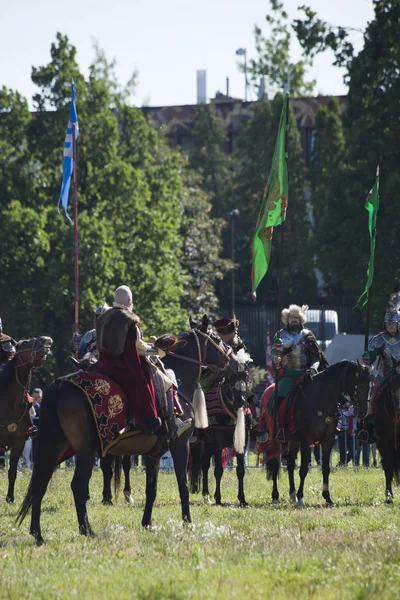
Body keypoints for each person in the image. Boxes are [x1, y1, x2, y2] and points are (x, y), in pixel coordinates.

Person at [96, 285, 191, 439]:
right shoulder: (129, 320)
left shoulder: (104, 318)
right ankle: (172, 423)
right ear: (129, 301)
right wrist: (159, 350)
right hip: (126, 368)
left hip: (104, 367)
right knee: (166, 381)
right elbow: (138, 348)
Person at [271, 304, 328, 441]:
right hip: (288, 375)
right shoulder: (280, 335)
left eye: (296, 318)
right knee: (279, 397)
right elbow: (274, 352)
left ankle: (328, 427)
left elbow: (316, 357)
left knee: (324, 396)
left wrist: (314, 369)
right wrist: (276, 358)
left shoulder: (308, 335)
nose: (294, 321)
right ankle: (280, 428)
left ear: (300, 319)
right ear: (287, 319)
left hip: (306, 374)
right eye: (291, 318)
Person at [359, 293, 400, 442]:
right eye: (389, 323)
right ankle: (368, 427)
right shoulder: (378, 340)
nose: (391, 325)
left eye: (394, 323)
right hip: (384, 376)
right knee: (374, 396)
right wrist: (367, 360)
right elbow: (370, 357)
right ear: (385, 324)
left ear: (398, 323)